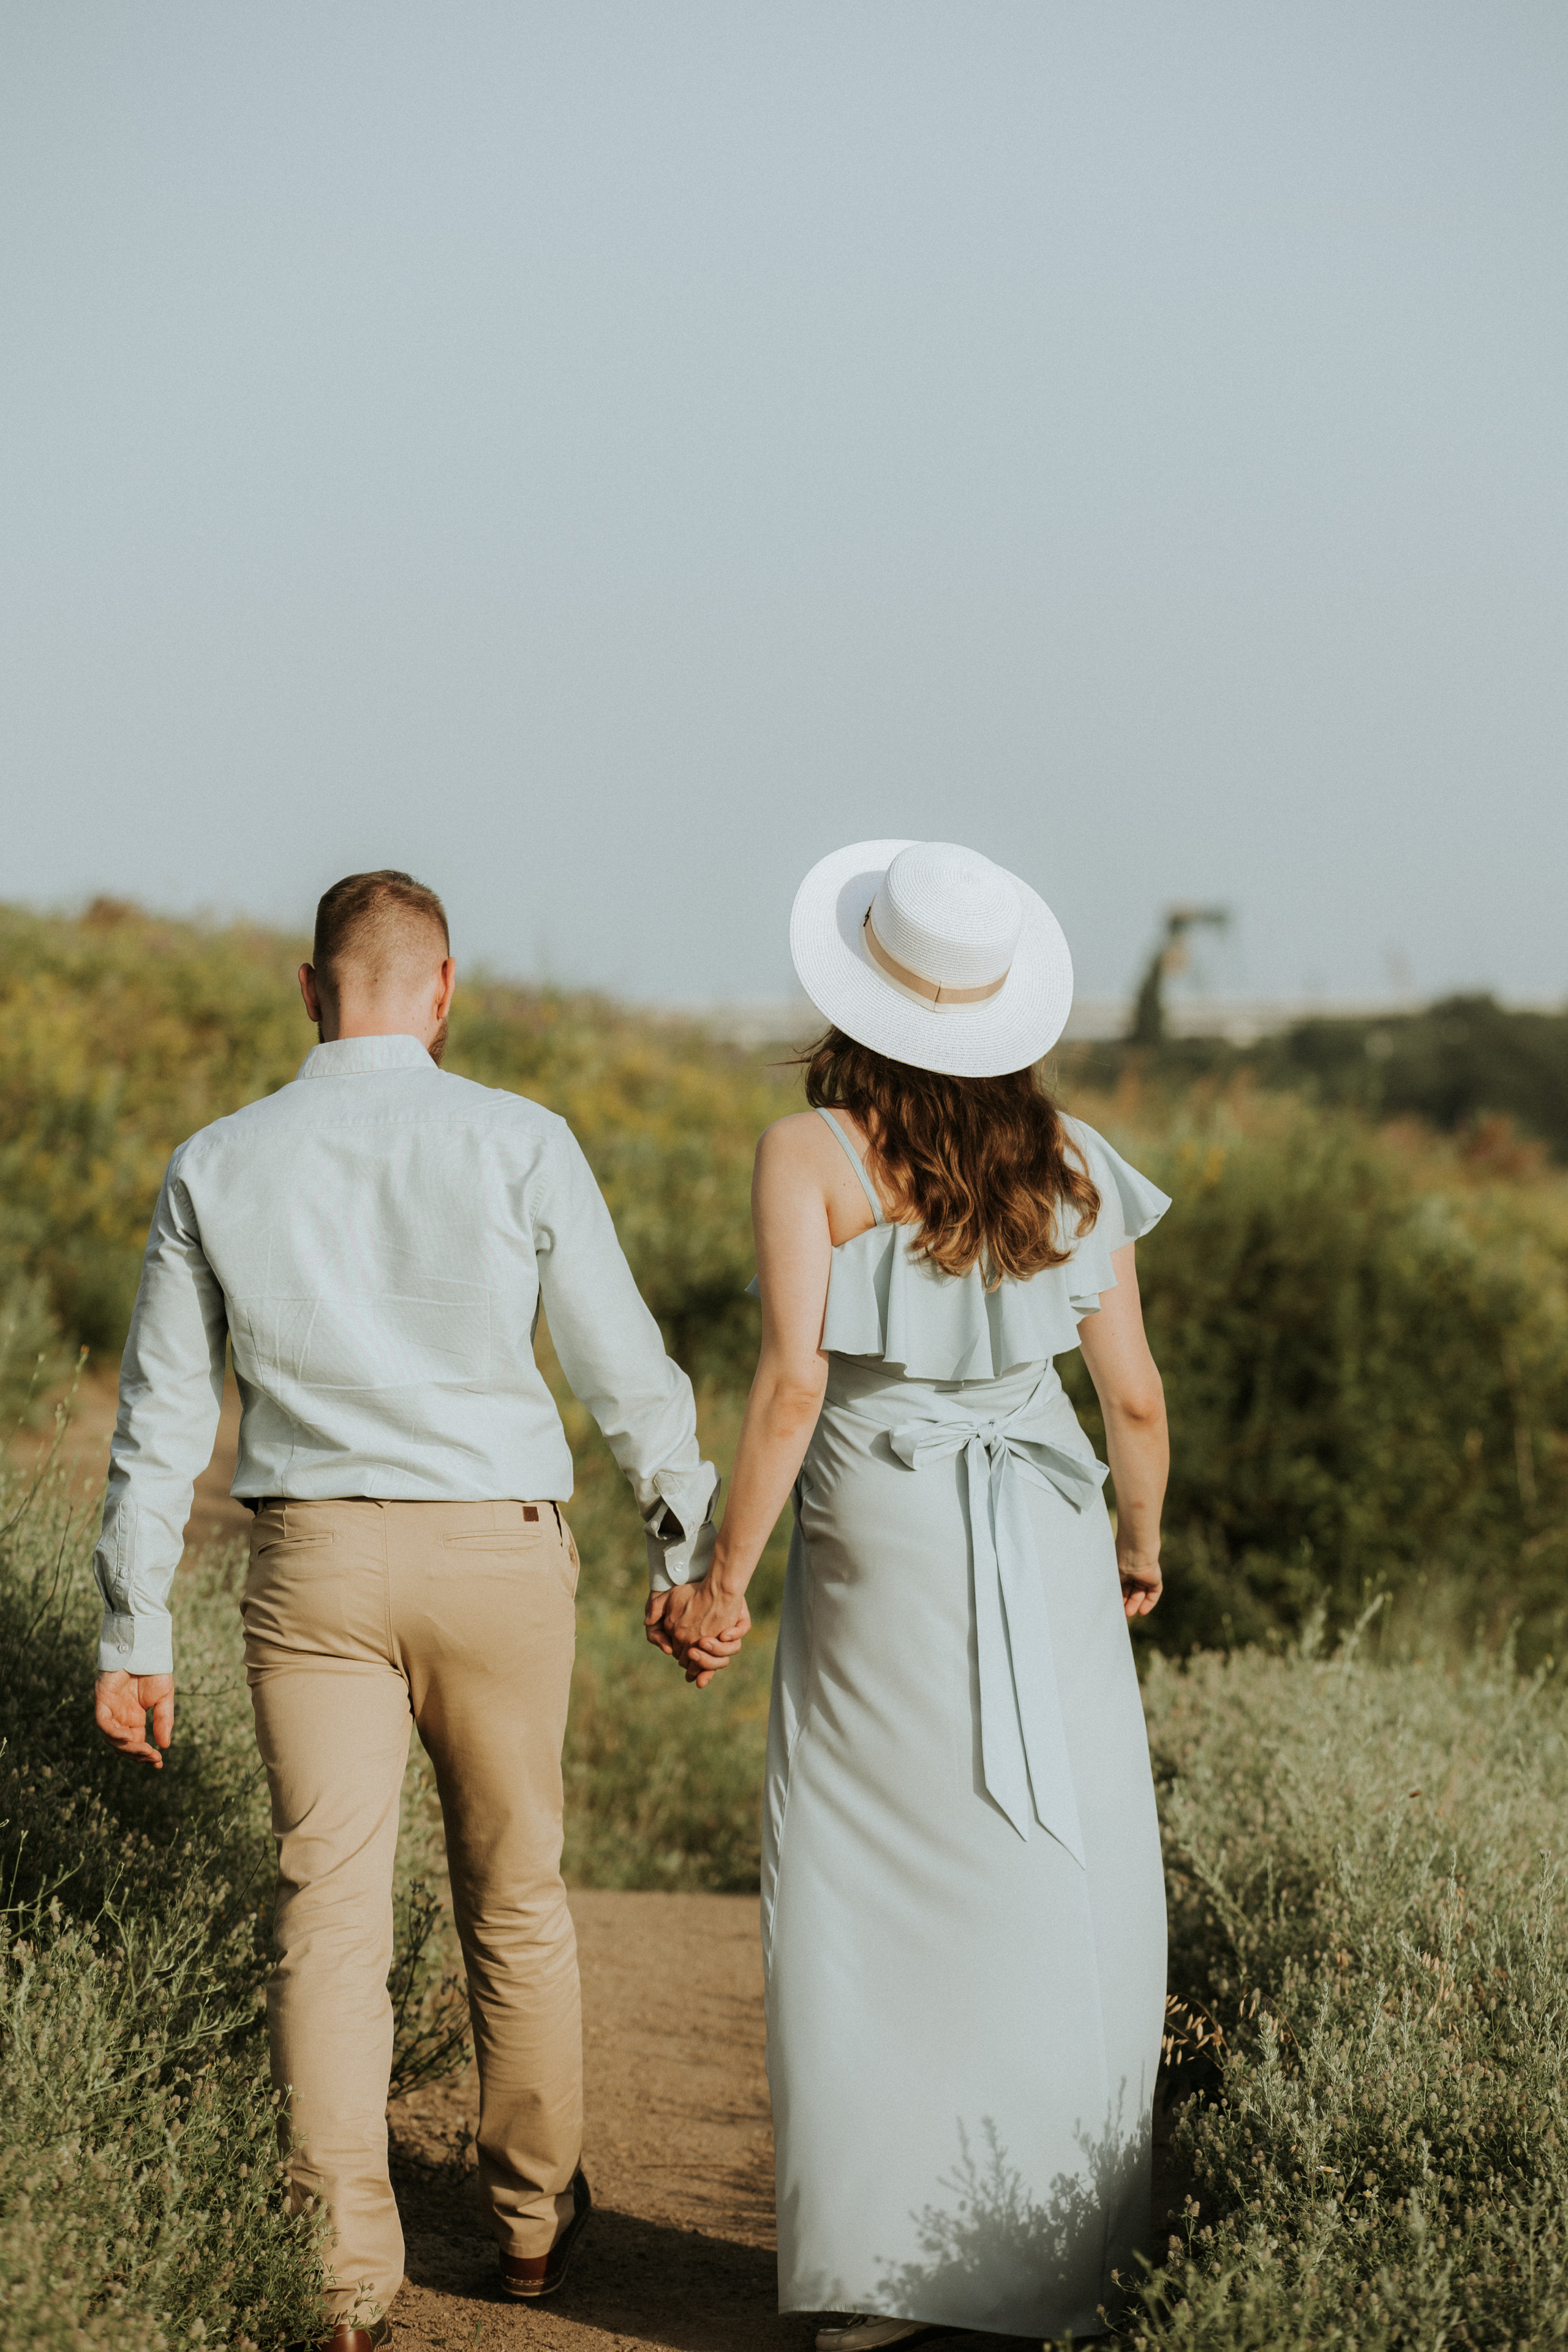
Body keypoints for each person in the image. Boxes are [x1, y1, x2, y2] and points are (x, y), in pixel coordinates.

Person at [92, 870, 718, 2352]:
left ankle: (340, 2270)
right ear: (443, 991)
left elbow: (159, 1422)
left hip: (309, 1568)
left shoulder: (217, 1161)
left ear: (311, 991)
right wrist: (685, 1553)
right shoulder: (520, 1139)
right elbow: (625, 1371)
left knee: (327, 1908)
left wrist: (135, 1632)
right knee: (517, 1892)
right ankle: (525, 2228)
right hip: (496, 1554)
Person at [654, 839, 1171, 2348]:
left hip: (879, 1524)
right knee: (1056, 1863)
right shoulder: (1073, 1160)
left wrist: (718, 1584)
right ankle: (1054, 2264)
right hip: (1042, 1518)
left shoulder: (808, 1152)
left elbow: (792, 1384)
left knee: (866, 1864)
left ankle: (881, 2278)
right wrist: (1135, 1544)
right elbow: (1131, 1403)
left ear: (855, 993)